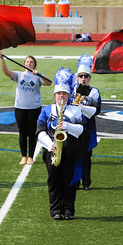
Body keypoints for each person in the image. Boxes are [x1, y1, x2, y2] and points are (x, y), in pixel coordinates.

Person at [36, 68, 88, 219]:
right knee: (54, 182)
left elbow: (82, 131)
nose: (61, 96)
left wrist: (68, 126)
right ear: (54, 95)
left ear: (68, 95)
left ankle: (69, 210)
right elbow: (39, 131)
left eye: (64, 94)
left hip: (71, 150)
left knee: (70, 182)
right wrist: (49, 145)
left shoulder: (75, 111)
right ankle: (56, 210)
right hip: (52, 150)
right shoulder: (47, 110)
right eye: (58, 93)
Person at [0, 50, 51, 164]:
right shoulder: (19, 75)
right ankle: (23, 156)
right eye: (27, 62)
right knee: (22, 133)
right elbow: (6, 72)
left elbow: (49, 83)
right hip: (20, 108)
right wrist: (2, 59)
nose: (29, 63)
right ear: (24, 63)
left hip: (34, 108)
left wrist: (40, 74)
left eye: (31, 62)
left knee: (32, 133)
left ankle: (31, 156)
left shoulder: (37, 76)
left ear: (34, 64)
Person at [72, 55, 101, 190]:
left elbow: (97, 110)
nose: (83, 78)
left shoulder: (94, 91)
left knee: (86, 156)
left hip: (87, 127)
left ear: (89, 78)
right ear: (77, 77)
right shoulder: (70, 90)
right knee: (73, 156)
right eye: (81, 76)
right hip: (73, 126)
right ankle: (75, 181)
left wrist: (81, 107)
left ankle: (86, 182)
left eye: (86, 76)